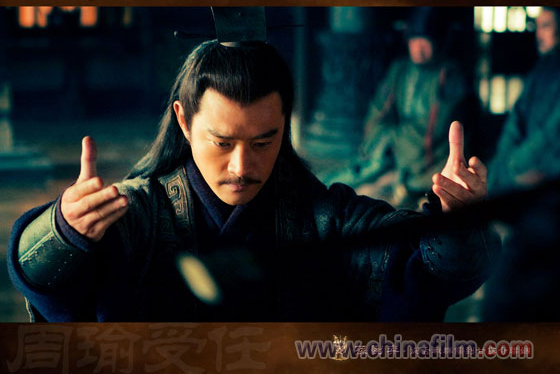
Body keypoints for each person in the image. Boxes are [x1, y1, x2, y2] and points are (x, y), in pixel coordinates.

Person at [8, 39, 498, 322]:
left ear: (286, 125)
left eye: (264, 142)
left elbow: (416, 265)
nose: (242, 166)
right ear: (183, 121)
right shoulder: (139, 213)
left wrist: (454, 227)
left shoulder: (324, 217)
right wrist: (65, 231)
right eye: (222, 142)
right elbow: (42, 280)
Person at [325, 8, 471, 210]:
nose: (419, 48)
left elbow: (437, 127)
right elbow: (378, 110)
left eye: (425, 42)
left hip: (431, 155)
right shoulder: (400, 69)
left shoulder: (449, 74)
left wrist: (394, 137)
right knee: (356, 176)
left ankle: (402, 183)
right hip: (395, 147)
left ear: (437, 42)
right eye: (414, 41)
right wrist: (384, 138)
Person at [488, 7, 560, 194]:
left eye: (546, 26)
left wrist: (517, 162)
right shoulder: (539, 70)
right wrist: (506, 157)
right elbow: (516, 118)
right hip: (517, 163)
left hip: (544, 169)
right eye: (538, 26)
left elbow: (552, 131)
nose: (539, 35)